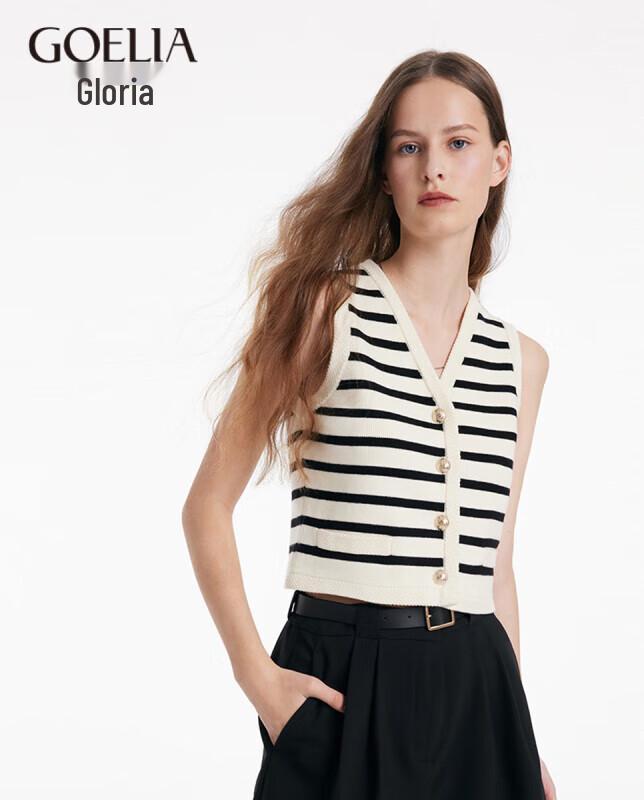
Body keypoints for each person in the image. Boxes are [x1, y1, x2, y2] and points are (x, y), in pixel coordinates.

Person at [182, 49, 555, 799]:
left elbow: (495, 566)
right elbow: (206, 508)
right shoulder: (324, 310)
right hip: (345, 675)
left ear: (499, 162)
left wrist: (523, 737)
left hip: (479, 683)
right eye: (408, 147)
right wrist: (260, 681)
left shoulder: (522, 360)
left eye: (458, 143)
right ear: (384, 172)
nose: (434, 168)